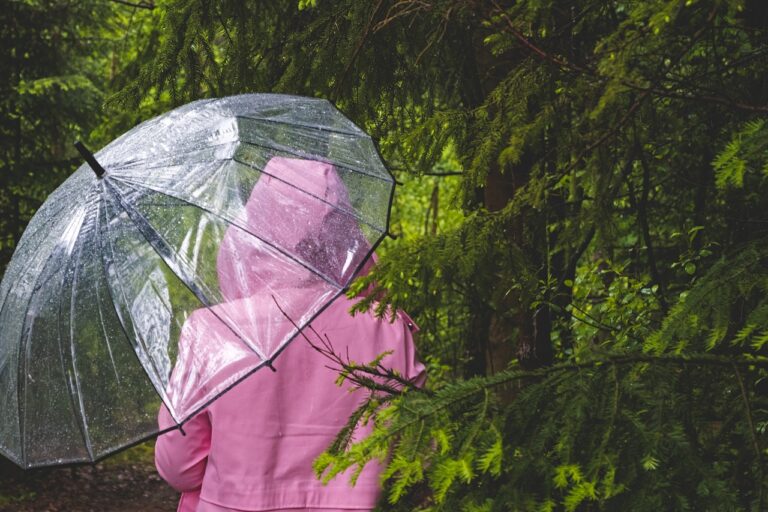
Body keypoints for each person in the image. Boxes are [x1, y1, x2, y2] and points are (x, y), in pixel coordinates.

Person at [154, 156, 425, 512]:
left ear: (257, 226)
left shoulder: (211, 331)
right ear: (345, 230)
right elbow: (412, 449)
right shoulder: (387, 326)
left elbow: (179, 468)